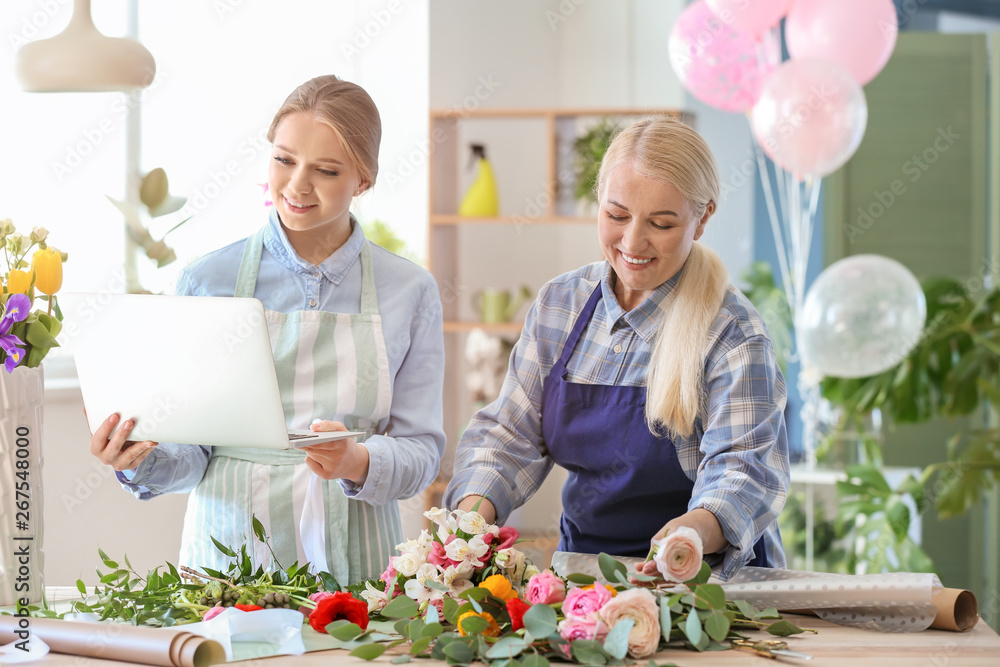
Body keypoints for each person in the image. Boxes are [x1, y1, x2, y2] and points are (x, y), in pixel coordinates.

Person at [90, 75, 445, 586]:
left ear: (363, 180)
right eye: (284, 159)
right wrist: (135, 459)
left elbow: (422, 453)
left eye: (325, 170)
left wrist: (356, 460)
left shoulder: (410, 291)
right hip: (226, 561)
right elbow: (192, 455)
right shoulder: (206, 280)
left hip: (359, 568)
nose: (298, 184)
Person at [443, 117, 789, 581]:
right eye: (617, 215)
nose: (632, 242)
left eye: (661, 223)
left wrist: (689, 537)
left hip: (705, 582)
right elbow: (510, 435)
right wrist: (472, 520)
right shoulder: (559, 305)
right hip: (584, 575)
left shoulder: (732, 332)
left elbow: (743, 471)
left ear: (702, 218)